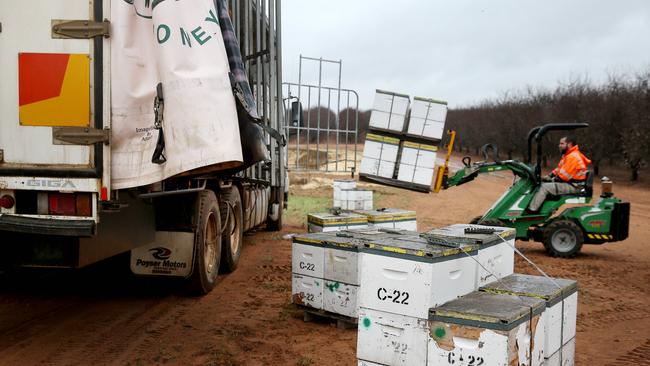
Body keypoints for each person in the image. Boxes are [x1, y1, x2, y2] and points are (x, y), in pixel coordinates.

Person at [527, 135, 591, 212]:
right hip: (571, 183)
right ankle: (538, 206)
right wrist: (549, 176)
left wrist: (551, 180)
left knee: (545, 187)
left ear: (569, 144)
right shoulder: (568, 155)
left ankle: (532, 209)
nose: (559, 146)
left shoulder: (573, 157)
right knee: (541, 183)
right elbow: (559, 169)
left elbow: (563, 177)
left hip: (574, 186)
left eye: (562, 143)